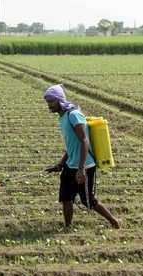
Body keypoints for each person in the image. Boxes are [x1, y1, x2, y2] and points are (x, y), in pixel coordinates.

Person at [43, 84, 120, 229]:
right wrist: (60, 164)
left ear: (59, 100)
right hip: (70, 165)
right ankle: (67, 226)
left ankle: (114, 221)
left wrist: (81, 169)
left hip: (84, 165)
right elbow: (72, 146)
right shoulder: (62, 117)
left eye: (51, 102)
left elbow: (84, 140)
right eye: (48, 102)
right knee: (66, 198)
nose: (49, 105)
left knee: (88, 200)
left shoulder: (73, 115)